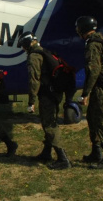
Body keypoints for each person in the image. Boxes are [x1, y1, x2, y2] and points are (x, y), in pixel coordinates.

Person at [18, 31, 71, 170]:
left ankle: (63, 159)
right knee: (50, 122)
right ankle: (46, 153)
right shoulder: (45, 52)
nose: (23, 49)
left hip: (47, 95)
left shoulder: (34, 56)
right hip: (55, 93)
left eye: (23, 46)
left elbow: (34, 80)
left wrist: (31, 101)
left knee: (49, 125)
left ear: (27, 44)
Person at [75, 16, 103, 169]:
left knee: (102, 121)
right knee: (92, 118)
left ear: (83, 28)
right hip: (100, 87)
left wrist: (85, 93)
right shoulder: (99, 40)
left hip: (100, 89)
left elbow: (93, 71)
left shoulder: (93, 45)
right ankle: (96, 152)